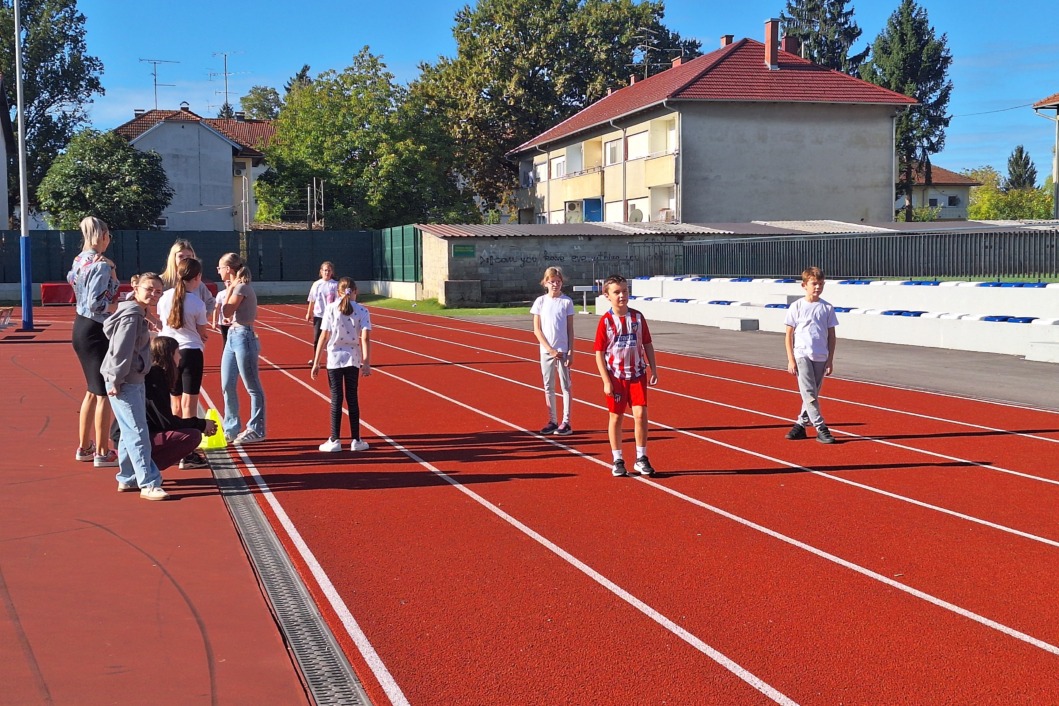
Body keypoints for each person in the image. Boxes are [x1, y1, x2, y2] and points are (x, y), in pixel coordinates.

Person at [101, 272, 169, 500]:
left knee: (128, 429)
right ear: (136, 288)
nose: (153, 294)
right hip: (125, 381)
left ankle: (128, 476)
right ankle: (148, 482)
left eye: (158, 291)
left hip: (134, 379)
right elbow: (121, 350)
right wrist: (115, 379)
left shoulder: (136, 312)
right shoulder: (131, 317)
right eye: (149, 289)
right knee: (138, 431)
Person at [111, 336, 217, 471]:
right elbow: (166, 422)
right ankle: (146, 469)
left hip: (125, 437)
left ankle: (142, 466)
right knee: (193, 436)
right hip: (131, 439)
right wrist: (201, 424)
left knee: (184, 432)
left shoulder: (153, 375)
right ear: (169, 354)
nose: (180, 357)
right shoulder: (156, 378)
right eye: (177, 353)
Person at [67, 216, 120, 467]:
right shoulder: (100, 266)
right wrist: (116, 306)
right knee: (103, 393)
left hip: (80, 327)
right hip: (95, 329)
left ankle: (85, 447)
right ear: (103, 236)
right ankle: (102, 451)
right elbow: (96, 304)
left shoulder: (79, 260)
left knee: (92, 389)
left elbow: (73, 281)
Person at [593, 274, 659, 477]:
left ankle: (641, 457)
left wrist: (654, 368)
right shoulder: (606, 321)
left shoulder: (637, 317)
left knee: (640, 415)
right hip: (616, 377)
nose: (622, 295)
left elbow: (647, 343)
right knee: (616, 417)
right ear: (607, 295)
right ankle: (617, 459)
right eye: (617, 292)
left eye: (625, 291)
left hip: (637, 374)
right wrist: (606, 381)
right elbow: (599, 353)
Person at [311, 277, 371, 452]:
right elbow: (365, 338)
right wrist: (366, 362)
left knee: (336, 398)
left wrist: (316, 362)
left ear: (338, 292)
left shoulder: (330, 309)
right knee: (352, 398)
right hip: (353, 358)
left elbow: (324, 336)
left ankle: (334, 439)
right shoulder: (362, 310)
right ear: (355, 291)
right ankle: (356, 440)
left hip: (334, 359)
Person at [784, 266, 838, 444]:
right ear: (804, 285)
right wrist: (791, 359)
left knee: (812, 394)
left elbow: (831, 336)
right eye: (814, 284)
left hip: (821, 356)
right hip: (802, 355)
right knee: (809, 394)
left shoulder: (827, 308)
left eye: (821, 284)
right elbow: (789, 335)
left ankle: (800, 426)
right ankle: (821, 428)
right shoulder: (797, 306)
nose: (818, 287)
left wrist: (830, 360)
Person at [218, 252, 266, 443]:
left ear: (228, 269)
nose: (218, 271)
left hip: (243, 337)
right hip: (233, 335)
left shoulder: (240, 287)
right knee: (227, 384)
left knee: (252, 385)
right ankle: (231, 428)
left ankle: (257, 429)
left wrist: (229, 289)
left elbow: (226, 311)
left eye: (220, 267)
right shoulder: (237, 287)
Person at [156, 258, 209, 420]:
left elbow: (162, 320)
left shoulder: (164, 297)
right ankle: (189, 433)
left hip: (167, 351)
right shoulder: (198, 304)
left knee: (174, 402)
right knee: (189, 403)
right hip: (190, 351)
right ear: (198, 277)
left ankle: (175, 433)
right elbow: (202, 332)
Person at [530, 266, 575, 435]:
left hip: (563, 351)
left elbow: (570, 330)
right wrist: (549, 349)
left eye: (558, 281)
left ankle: (566, 422)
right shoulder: (540, 302)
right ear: (545, 283)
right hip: (546, 351)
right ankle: (553, 420)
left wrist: (570, 352)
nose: (555, 284)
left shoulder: (566, 302)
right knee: (548, 386)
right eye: (552, 281)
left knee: (565, 386)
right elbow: (537, 330)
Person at [161, 239, 216, 312]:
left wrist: (203, 316)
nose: (185, 259)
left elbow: (211, 302)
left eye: (189, 256)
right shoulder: (161, 282)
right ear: (173, 259)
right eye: (181, 256)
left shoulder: (198, 283)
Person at [305, 261, 338, 364]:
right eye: (325, 270)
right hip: (319, 315)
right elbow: (312, 299)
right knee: (317, 338)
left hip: (331, 316)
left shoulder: (335, 285)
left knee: (332, 338)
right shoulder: (316, 284)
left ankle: (332, 359)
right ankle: (316, 360)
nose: (327, 272)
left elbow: (338, 301)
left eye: (329, 270)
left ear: (332, 272)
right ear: (321, 271)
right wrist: (309, 312)